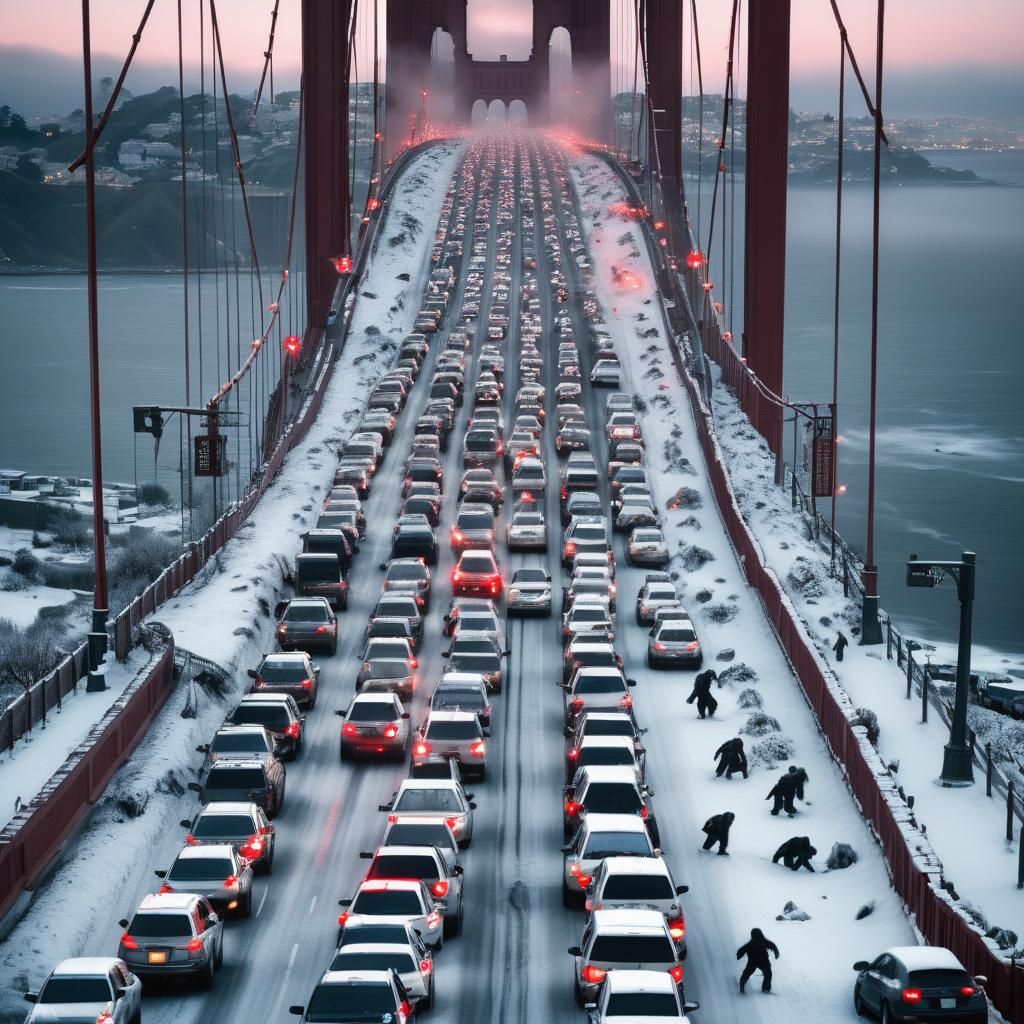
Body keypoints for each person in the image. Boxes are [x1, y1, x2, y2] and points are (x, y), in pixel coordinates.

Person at [736, 927, 780, 993]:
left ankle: (742, 985)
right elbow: (773, 946)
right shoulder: (761, 942)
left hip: (756, 961)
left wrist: (739, 956)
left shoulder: (753, 943)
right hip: (759, 961)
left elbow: (741, 950)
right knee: (767, 973)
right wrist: (776, 953)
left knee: (747, 973)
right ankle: (765, 988)